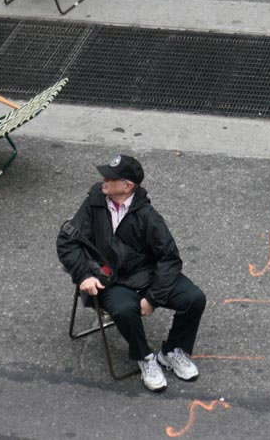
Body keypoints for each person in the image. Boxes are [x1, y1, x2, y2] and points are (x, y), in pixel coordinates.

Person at [57, 155, 206, 392]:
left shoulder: (148, 215)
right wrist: (84, 275)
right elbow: (67, 241)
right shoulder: (94, 202)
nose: (103, 179)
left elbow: (169, 258)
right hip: (109, 279)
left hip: (146, 275)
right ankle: (145, 357)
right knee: (125, 309)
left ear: (127, 186)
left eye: (110, 177)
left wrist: (153, 298)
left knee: (194, 298)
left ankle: (171, 351)